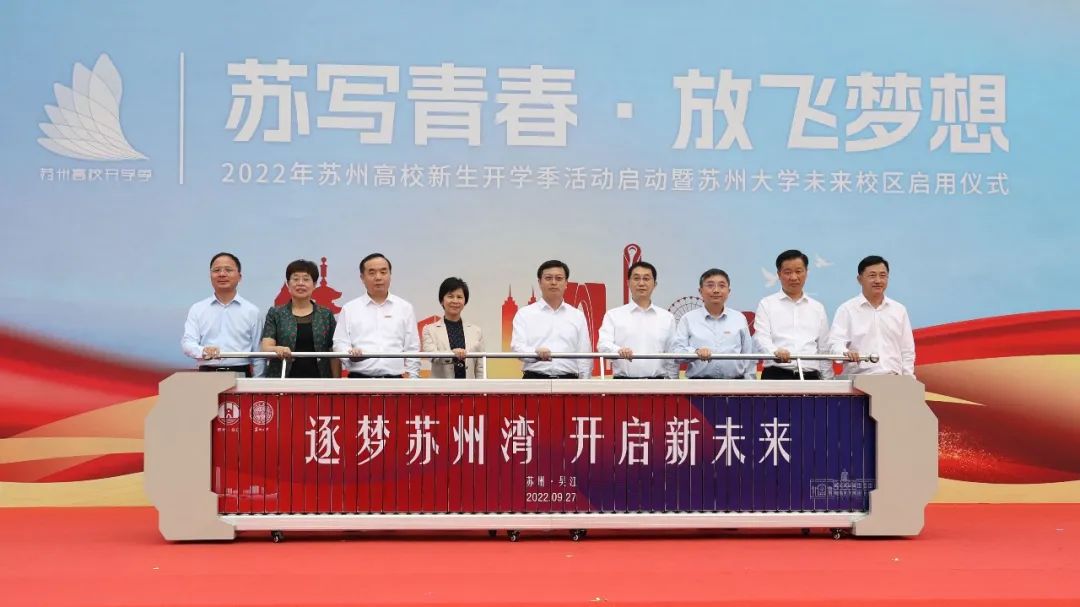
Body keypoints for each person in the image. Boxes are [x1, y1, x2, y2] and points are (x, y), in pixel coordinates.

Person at [332, 253, 420, 378]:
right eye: (372, 273)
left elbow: (412, 346)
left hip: (394, 380)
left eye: (383, 272)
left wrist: (413, 377)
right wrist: (349, 354)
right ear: (362, 278)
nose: (378, 277)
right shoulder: (350, 308)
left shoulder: (405, 308)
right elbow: (340, 342)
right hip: (359, 379)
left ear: (390, 275)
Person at [829, 255, 916, 377]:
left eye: (883, 275)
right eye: (872, 275)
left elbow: (907, 351)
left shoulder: (899, 310)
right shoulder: (847, 310)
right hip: (859, 380)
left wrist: (908, 379)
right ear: (859, 279)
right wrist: (845, 353)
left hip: (894, 379)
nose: (878, 280)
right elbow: (835, 343)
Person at [181, 252, 264, 377]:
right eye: (216, 270)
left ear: (239, 277)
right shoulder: (197, 309)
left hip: (241, 373)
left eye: (228, 270)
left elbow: (259, 355)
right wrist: (203, 351)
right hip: (207, 375)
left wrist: (257, 384)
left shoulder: (252, 311)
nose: (222, 274)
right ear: (210, 276)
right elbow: (187, 343)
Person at [753, 249, 833, 380]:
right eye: (788, 272)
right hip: (776, 374)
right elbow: (761, 338)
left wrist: (828, 381)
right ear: (779, 274)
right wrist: (775, 352)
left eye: (798, 271)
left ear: (806, 272)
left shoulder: (817, 308)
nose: (794, 277)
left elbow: (823, 349)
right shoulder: (766, 304)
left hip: (810, 376)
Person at [510, 260, 592, 379]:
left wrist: (584, 383)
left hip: (569, 380)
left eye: (559, 278)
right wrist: (535, 353)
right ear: (539, 282)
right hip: (534, 379)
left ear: (566, 283)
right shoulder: (524, 314)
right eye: (548, 278)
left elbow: (584, 354)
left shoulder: (577, 316)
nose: (553, 282)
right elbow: (517, 347)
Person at [260, 259, 340, 378]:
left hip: (320, 379)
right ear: (288, 284)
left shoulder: (326, 315)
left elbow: (333, 351)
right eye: (296, 279)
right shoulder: (276, 313)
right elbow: (266, 348)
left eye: (306, 279)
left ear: (314, 285)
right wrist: (277, 349)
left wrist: (336, 382)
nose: (300, 283)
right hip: (283, 379)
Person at [597, 261, 677, 379]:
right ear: (628, 283)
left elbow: (672, 356)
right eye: (636, 278)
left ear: (655, 284)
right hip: (623, 384)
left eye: (646, 279)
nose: (641, 283)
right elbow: (603, 345)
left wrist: (673, 383)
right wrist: (619, 350)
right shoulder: (613, 315)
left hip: (658, 384)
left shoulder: (667, 318)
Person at [673, 269, 756, 379]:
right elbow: (677, 353)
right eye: (710, 285)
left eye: (721, 286)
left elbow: (749, 355)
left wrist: (750, 382)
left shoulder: (739, 318)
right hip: (698, 384)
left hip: (735, 384)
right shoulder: (688, 319)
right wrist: (695, 352)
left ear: (728, 291)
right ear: (700, 291)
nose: (716, 290)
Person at [422, 277, 486, 379]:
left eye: (459, 297)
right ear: (442, 300)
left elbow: (480, 367)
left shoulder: (476, 331)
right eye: (450, 296)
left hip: (469, 388)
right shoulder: (429, 330)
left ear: (465, 301)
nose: (455, 301)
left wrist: (482, 388)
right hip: (441, 388)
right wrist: (452, 354)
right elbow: (431, 356)